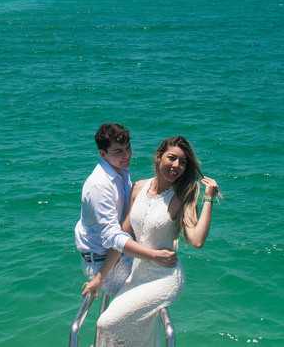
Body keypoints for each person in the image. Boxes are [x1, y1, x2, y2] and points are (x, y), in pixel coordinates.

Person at [84, 135, 221, 347]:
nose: (177, 165)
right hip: (138, 274)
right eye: (172, 158)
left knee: (106, 323)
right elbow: (122, 239)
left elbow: (196, 240)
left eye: (183, 162)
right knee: (136, 329)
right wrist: (99, 278)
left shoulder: (182, 196)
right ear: (158, 157)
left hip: (165, 278)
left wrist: (208, 198)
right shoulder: (138, 187)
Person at [74, 123, 178, 295]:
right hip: (103, 263)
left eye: (128, 148)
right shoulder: (100, 186)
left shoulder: (120, 169)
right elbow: (112, 236)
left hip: (119, 253)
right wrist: (152, 255)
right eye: (118, 151)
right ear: (103, 154)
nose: (127, 155)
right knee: (147, 296)